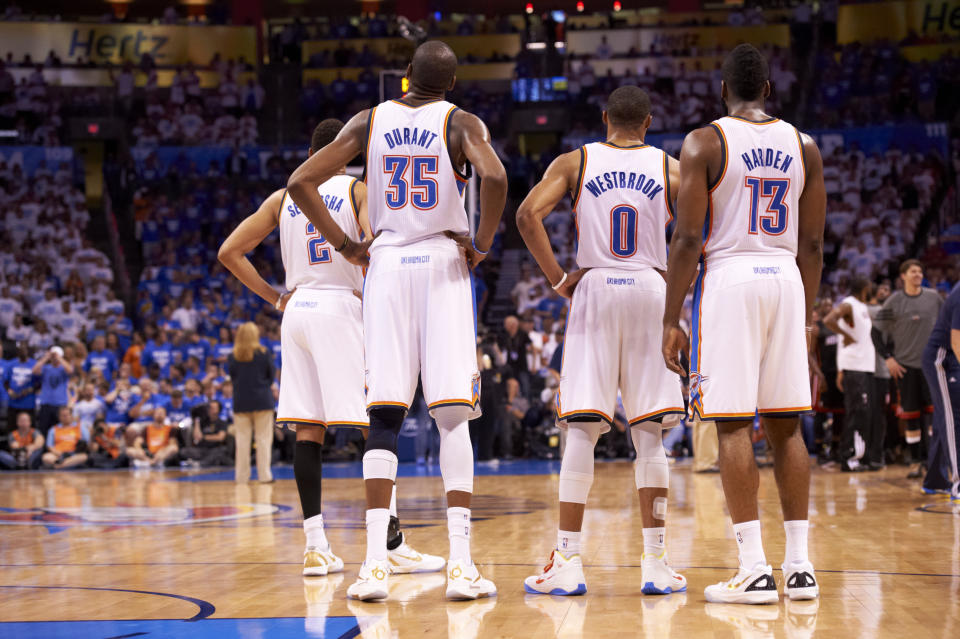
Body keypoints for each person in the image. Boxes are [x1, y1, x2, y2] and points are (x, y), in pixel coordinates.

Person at [287, 40, 508, 601]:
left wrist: (346, 245)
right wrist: (480, 244)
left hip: (385, 262)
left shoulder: (369, 120)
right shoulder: (461, 123)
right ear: (452, 85)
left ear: (405, 76)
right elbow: (497, 178)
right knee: (453, 416)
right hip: (442, 263)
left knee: (383, 415)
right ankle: (461, 565)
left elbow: (299, 183)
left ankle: (374, 568)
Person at [219, 121, 442, 576]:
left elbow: (229, 251)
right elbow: (374, 242)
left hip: (296, 311)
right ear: (344, 151)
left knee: (309, 429)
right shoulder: (355, 188)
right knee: (372, 422)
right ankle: (390, 542)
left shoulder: (282, 198)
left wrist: (276, 296)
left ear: (310, 151)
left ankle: (316, 546)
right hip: (340, 308)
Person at [662, 44, 825, 604]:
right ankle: (800, 567)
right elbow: (813, 244)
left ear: (721, 90)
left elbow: (686, 239)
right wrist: (805, 319)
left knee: (731, 425)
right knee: (786, 426)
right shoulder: (804, 145)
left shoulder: (704, 141)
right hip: (785, 278)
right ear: (770, 90)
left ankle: (754, 567)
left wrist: (670, 315)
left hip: (730, 278)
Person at [516, 85, 687, 596]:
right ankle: (655, 562)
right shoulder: (671, 168)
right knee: (650, 431)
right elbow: (699, 234)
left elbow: (527, 216)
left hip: (594, 284)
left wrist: (557, 278)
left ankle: (567, 559)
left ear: (605, 116)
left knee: (583, 429)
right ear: (649, 122)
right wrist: (676, 293)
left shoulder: (576, 161)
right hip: (652, 286)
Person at [873, 259, 942, 479]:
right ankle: (915, 461)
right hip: (905, 368)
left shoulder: (934, 299)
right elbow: (875, 333)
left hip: (932, 367)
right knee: (911, 417)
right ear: (903, 276)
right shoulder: (894, 301)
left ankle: (933, 460)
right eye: (913, 271)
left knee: (933, 416)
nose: (918, 275)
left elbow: (947, 327)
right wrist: (888, 359)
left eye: (920, 271)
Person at [823, 278, 876, 472]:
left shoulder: (861, 306)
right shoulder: (849, 304)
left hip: (863, 366)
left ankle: (857, 456)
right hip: (855, 367)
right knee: (857, 412)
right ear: (865, 287)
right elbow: (828, 320)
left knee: (862, 412)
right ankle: (849, 458)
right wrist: (845, 335)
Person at [920, 282, 960, 500]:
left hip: (951, 356)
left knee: (945, 418)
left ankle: (935, 479)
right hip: (942, 357)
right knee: (954, 419)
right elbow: (957, 340)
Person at [226, 322, 276, 483]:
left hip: (241, 402)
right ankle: (265, 476)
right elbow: (271, 377)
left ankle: (241, 477)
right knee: (263, 439)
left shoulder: (232, 356)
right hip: (262, 401)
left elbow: (233, 378)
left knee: (242, 441)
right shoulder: (264, 353)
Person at [179, 400, 232, 467]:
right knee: (184, 451)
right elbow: (197, 437)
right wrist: (197, 420)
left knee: (221, 451)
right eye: (209, 407)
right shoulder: (202, 422)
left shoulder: (222, 423)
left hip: (214, 448)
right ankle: (209, 461)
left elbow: (220, 437)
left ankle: (200, 463)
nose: (210, 409)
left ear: (218, 410)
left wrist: (204, 437)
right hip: (202, 449)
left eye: (213, 408)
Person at [33, 345, 72, 435]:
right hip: (46, 403)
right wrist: (46, 357)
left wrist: (59, 358)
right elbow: (34, 371)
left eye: (56, 356)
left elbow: (70, 370)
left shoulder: (63, 369)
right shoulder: (46, 368)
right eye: (53, 356)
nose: (54, 358)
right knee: (43, 429)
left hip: (60, 404)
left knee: (59, 429)